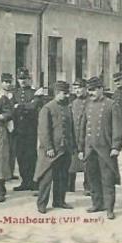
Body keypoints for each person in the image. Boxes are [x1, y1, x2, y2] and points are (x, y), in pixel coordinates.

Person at [78, 76, 122, 219]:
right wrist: (80, 148)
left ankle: (109, 208)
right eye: (89, 90)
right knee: (92, 178)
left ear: (101, 89)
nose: (91, 93)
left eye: (93, 90)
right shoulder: (87, 105)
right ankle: (97, 203)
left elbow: (117, 127)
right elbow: (82, 128)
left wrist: (116, 146)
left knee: (107, 179)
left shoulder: (111, 104)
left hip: (105, 149)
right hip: (90, 148)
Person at [34, 81, 76, 213]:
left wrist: (73, 145)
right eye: (64, 93)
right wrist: (48, 148)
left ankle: (59, 201)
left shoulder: (67, 107)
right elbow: (43, 131)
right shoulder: (47, 108)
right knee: (46, 178)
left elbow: (71, 129)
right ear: (57, 93)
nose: (66, 95)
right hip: (52, 151)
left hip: (65, 149)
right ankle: (42, 204)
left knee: (62, 177)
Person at [11, 67, 42, 191]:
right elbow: (11, 108)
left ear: (29, 79)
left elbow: (33, 107)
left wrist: (19, 106)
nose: (22, 81)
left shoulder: (34, 92)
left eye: (24, 78)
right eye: (20, 78)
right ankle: (24, 181)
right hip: (18, 129)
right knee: (20, 156)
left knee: (31, 155)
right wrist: (23, 107)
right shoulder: (15, 93)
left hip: (30, 129)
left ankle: (34, 181)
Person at [68, 78, 89, 195]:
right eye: (75, 88)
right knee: (72, 161)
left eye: (79, 88)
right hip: (74, 136)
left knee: (87, 163)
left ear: (85, 89)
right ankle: (70, 185)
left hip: (86, 137)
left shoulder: (91, 102)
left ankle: (88, 187)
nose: (77, 90)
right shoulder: (73, 103)